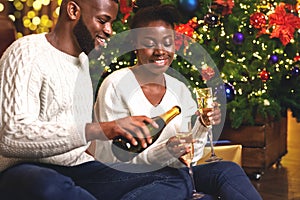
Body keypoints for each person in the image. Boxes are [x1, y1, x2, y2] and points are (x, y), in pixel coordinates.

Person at [0, 0, 199, 199]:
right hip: (25, 169)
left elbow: (84, 140)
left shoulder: (83, 63)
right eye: (102, 21)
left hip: (79, 168)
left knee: (175, 180)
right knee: (48, 185)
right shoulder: (26, 52)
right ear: (72, 10)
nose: (109, 30)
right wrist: (103, 128)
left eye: (111, 22)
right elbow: (10, 137)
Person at [94, 1, 263, 199]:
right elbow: (113, 157)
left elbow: (192, 156)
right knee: (189, 190)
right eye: (149, 43)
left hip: (176, 175)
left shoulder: (179, 89)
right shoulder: (115, 85)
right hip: (128, 177)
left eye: (167, 42)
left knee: (227, 170)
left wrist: (202, 124)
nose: (160, 51)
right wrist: (165, 152)